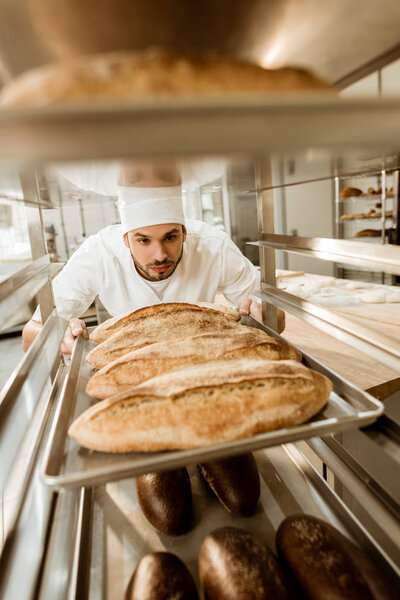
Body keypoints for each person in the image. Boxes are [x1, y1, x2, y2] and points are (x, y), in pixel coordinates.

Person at [22, 161, 284, 357]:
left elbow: (275, 315)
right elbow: (30, 333)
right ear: (125, 240)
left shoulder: (213, 246)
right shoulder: (98, 254)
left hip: (203, 355)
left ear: (185, 232)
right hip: (131, 360)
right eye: (144, 240)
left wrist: (266, 314)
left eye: (170, 237)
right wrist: (60, 337)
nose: (159, 255)